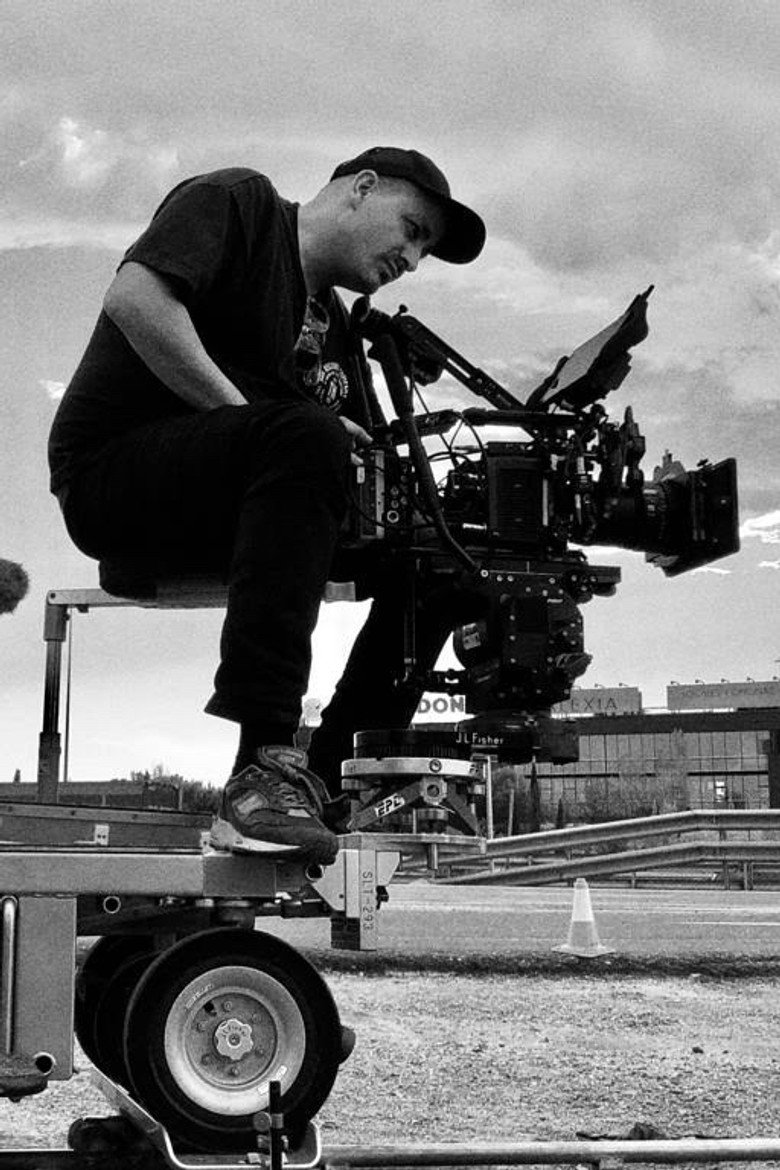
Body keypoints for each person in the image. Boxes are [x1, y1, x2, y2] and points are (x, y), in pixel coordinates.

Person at [48, 146, 486, 866]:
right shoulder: (240, 204)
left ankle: (325, 776)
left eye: (424, 252)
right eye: (411, 230)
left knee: (434, 561)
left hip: (241, 506)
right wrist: (265, 423)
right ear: (362, 188)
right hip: (113, 477)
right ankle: (261, 766)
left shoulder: (338, 330)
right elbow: (135, 300)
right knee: (306, 437)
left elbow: (356, 464)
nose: (412, 259)